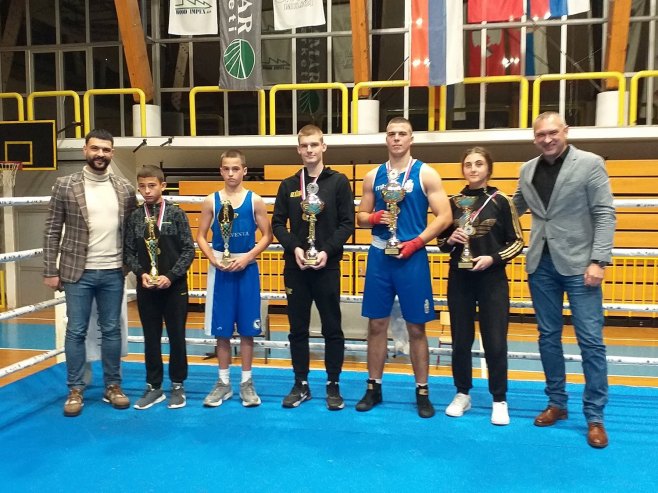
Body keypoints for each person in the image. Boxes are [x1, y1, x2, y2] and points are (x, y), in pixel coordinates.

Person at [513, 112, 615, 448]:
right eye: (540, 134)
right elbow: (512, 209)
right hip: (540, 265)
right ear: (534, 138)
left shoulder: (590, 163)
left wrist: (599, 260)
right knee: (548, 337)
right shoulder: (527, 170)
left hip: (581, 265)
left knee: (591, 341)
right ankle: (557, 402)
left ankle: (595, 416)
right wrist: (470, 217)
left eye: (552, 133)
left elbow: (604, 213)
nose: (547, 139)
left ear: (565, 131)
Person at [356, 117, 451, 418]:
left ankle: (422, 391)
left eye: (402, 134)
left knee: (416, 327)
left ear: (411, 139)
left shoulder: (426, 173)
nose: (396, 138)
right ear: (386, 139)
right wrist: (373, 218)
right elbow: (361, 215)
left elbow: (445, 216)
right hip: (380, 255)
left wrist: (418, 242)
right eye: (391, 134)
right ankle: (373, 387)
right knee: (376, 325)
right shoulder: (373, 175)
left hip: (412, 257)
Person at [43, 129, 137, 417]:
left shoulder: (124, 188)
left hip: (113, 271)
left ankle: (113, 386)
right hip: (76, 272)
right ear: (85, 149)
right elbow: (52, 230)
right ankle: (75, 388)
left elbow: (132, 231)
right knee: (76, 330)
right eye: (95, 148)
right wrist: (50, 269)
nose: (100, 154)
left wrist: (130, 265)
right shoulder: (65, 185)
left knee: (112, 330)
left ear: (112, 153)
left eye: (106, 150)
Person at [438, 147, 524, 425]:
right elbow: (441, 243)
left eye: (478, 164)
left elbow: (517, 242)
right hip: (460, 278)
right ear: (462, 169)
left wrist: (493, 258)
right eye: (468, 164)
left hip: (492, 279)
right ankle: (462, 393)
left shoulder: (502, 201)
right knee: (460, 340)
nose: (473, 169)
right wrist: (450, 240)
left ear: (488, 168)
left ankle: (499, 399)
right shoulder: (452, 202)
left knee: (495, 341)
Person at [272, 124, 355, 410]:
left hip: (327, 266)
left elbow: (348, 224)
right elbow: (277, 224)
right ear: (299, 149)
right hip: (296, 267)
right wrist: (295, 248)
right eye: (304, 145)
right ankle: (301, 384)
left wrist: (326, 251)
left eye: (314, 144)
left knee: (332, 327)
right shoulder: (288, 185)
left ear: (323, 147)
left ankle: (333, 384)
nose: (309, 150)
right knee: (297, 328)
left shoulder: (338, 182)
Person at [197, 149, 273, 408]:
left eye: (236, 168)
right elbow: (200, 236)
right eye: (226, 169)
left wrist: (248, 257)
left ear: (244, 171)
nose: (231, 173)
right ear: (221, 171)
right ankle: (223, 382)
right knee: (222, 330)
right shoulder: (211, 201)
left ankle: (246, 382)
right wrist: (212, 258)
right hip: (221, 270)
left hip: (247, 269)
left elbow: (267, 235)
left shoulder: (255, 200)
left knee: (248, 330)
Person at [124, 165, 195, 410]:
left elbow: (188, 250)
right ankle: (154, 386)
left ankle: (178, 385)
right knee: (151, 337)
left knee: (177, 336)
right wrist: (141, 273)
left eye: (152, 185)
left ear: (163, 186)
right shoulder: (135, 217)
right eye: (142, 186)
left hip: (175, 287)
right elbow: (128, 252)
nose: (147, 191)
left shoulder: (176, 213)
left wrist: (171, 276)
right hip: (147, 287)